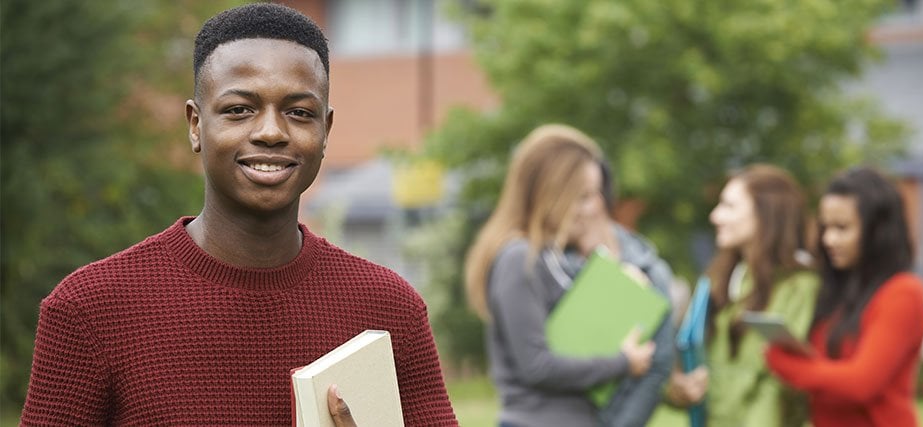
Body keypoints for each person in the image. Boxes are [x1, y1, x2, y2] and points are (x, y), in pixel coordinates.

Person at [19, 4, 457, 425]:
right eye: (238, 110)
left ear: (325, 131)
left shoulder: (389, 310)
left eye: (299, 113)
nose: (270, 132)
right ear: (195, 125)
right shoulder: (89, 310)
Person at [465, 124, 674, 427]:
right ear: (552, 192)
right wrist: (623, 362)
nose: (592, 208)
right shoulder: (518, 258)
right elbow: (537, 366)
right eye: (583, 195)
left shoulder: (554, 257)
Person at [765, 167, 923, 427]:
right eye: (825, 227)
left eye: (842, 228)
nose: (829, 239)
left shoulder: (903, 293)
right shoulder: (836, 289)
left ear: (877, 231)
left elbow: (861, 383)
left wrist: (787, 364)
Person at [667, 164, 819, 427]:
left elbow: (779, 385)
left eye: (729, 206)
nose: (715, 217)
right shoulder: (717, 280)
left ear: (765, 213)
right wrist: (680, 388)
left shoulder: (799, 287)